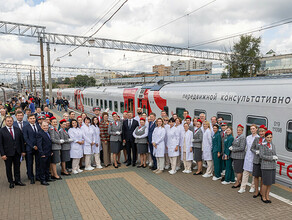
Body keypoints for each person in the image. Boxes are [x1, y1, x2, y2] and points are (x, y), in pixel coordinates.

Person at [0, 116, 26, 188]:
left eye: (11, 121)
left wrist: (23, 151)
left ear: (13, 121)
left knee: (17, 167)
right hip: (7, 153)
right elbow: (0, 144)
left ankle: (17, 180)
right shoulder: (1, 131)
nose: (9, 122)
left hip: (17, 152)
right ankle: (11, 182)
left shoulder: (17, 129)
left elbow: (21, 141)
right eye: (8, 121)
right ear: (5, 122)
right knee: (8, 168)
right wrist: (2, 154)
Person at [238, 124, 259, 193]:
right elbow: (245, 147)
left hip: (254, 157)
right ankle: (243, 187)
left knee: (254, 173)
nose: (252, 130)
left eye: (253, 128)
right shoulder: (248, 137)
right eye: (251, 129)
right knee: (245, 172)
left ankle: (252, 186)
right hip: (247, 157)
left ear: (256, 129)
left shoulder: (258, 138)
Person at [259, 130, 277, 203]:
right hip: (265, 166)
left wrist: (275, 157)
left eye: (271, 137)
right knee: (265, 183)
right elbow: (262, 156)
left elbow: (275, 154)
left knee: (270, 183)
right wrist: (272, 158)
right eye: (268, 137)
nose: (269, 139)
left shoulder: (273, 145)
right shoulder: (262, 145)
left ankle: (267, 196)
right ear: (265, 138)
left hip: (272, 166)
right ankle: (263, 196)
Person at [22, 114, 41, 184]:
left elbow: (40, 136)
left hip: (38, 148)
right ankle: (31, 177)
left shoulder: (38, 126)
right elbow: (26, 138)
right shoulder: (25, 127)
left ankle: (38, 176)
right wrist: (33, 146)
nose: (33, 119)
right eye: (31, 118)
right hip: (30, 148)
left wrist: (38, 145)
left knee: (38, 162)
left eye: (33, 118)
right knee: (29, 163)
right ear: (28, 119)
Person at [250, 124, 267, 198]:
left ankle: (262, 192)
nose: (261, 133)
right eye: (260, 131)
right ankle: (256, 191)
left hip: (264, 161)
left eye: (262, 131)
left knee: (263, 177)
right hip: (257, 160)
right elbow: (251, 148)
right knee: (256, 176)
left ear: (265, 132)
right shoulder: (256, 139)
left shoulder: (267, 140)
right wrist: (256, 151)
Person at [229, 124, 246, 188]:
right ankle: (240, 181)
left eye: (239, 130)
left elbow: (242, 148)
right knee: (237, 170)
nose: (238, 131)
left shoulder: (242, 137)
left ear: (242, 131)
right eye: (237, 130)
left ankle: (237, 182)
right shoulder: (237, 137)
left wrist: (233, 149)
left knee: (238, 171)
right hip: (236, 156)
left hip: (239, 156)